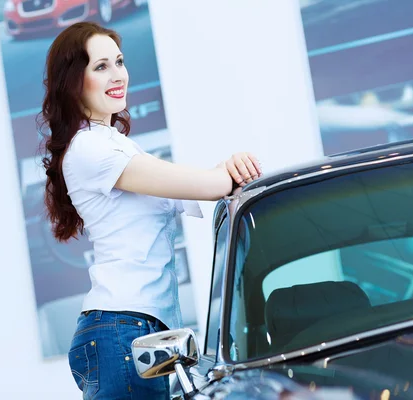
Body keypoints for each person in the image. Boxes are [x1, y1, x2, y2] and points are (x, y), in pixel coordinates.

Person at [40, 21, 262, 400]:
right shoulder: (91, 150)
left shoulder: (117, 144)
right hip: (120, 329)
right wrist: (232, 167)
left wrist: (227, 173)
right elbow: (209, 185)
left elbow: (210, 185)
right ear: (73, 80)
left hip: (138, 330)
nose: (117, 75)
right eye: (101, 66)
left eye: (119, 61)